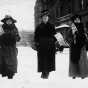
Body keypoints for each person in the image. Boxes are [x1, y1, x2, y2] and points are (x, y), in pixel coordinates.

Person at [34, 10, 57, 79]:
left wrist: (60, 44)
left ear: (48, 18)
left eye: (46, 17)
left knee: (49, 59)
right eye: (44, 17)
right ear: (42, 18)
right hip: (42, 46)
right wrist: (37, 44)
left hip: (50, 45)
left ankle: (46, 73)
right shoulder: (38, 27)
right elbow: (36, 37)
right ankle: (44, 72)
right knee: (42, 60)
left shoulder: (52, 26)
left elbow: (56, 36)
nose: (45, 18)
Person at [69, 15, 88, 79]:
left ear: (80, 20)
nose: (77, 20)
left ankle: (83, 74)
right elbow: (68, 37)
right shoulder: (71, 28)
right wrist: (72, 37)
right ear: (74, 20)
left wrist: (83, 36)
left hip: (82, 46)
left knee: (82, 61)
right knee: (73, 61)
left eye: (78, 19)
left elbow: (86, 36)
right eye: (76, 19)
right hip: (74, 46)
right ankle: (74, 74)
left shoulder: (83, 27)